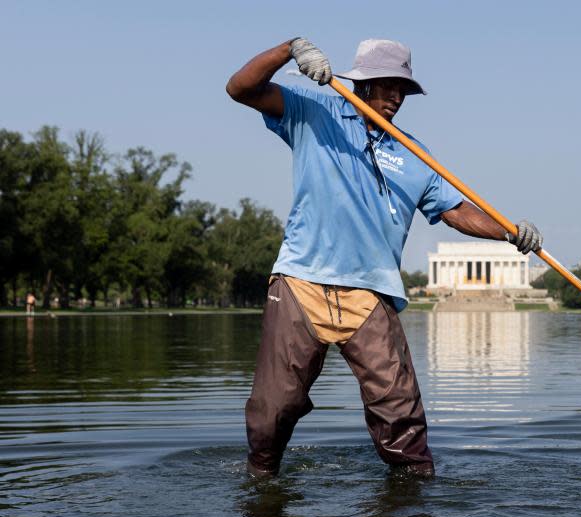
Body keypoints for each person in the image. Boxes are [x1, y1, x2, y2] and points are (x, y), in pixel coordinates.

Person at [226, 37, 542, 478]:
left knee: (400, 412)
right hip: (302, 282)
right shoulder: (314, 113)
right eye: (386, 86)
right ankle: (261, 482)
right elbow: (240, 89)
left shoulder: (414, 154)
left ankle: (411, 504)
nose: (395, 97)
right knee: (273, 411)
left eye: (402, 90)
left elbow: (455, 210)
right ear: (361, 84)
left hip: (371, 294)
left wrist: (509, 231)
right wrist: (290, 50)